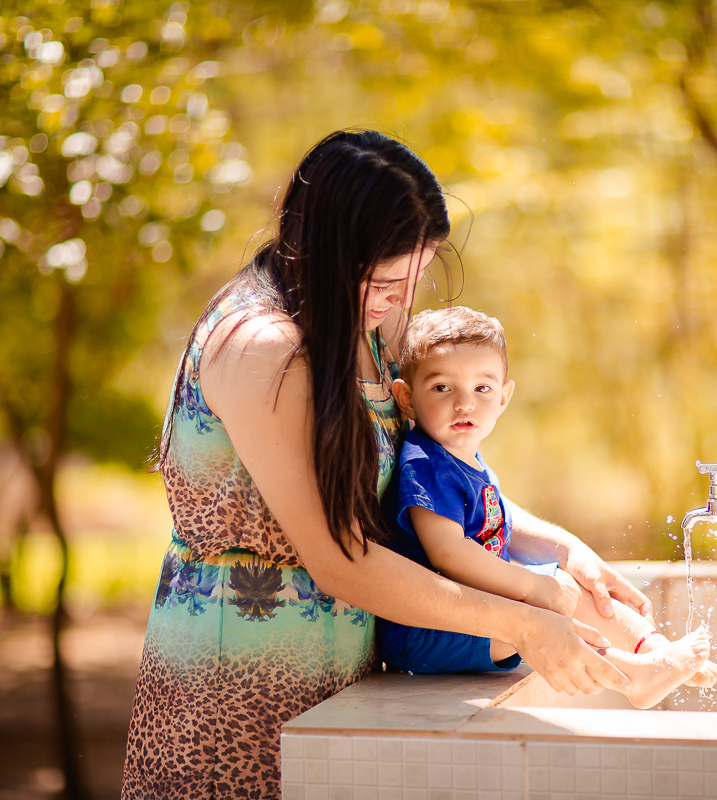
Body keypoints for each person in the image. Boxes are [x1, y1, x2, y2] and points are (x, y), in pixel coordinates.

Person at [121, 130, 653, 800]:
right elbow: (337, 557)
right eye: (389, 278)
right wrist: (520, 618)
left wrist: (559, 546)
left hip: (343, 673)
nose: (403, 299)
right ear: (332, 250)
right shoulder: (262, 347)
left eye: (416, 276)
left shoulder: (369, 329)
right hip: (233, 691)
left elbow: (428, 487)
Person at [377, 307, 717, 708]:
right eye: (442, 388)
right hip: (428, 631)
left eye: (482, 389)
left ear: (504, 396)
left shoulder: (462, 456)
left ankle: (654, 651)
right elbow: (448, 552)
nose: (464, 404)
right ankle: (635, 677)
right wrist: (532, 587)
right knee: (544, 609)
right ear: (406, 397)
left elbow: (500, 529)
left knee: (570, 584)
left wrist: (556, 567)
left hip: (476, 615)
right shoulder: (425, 464)